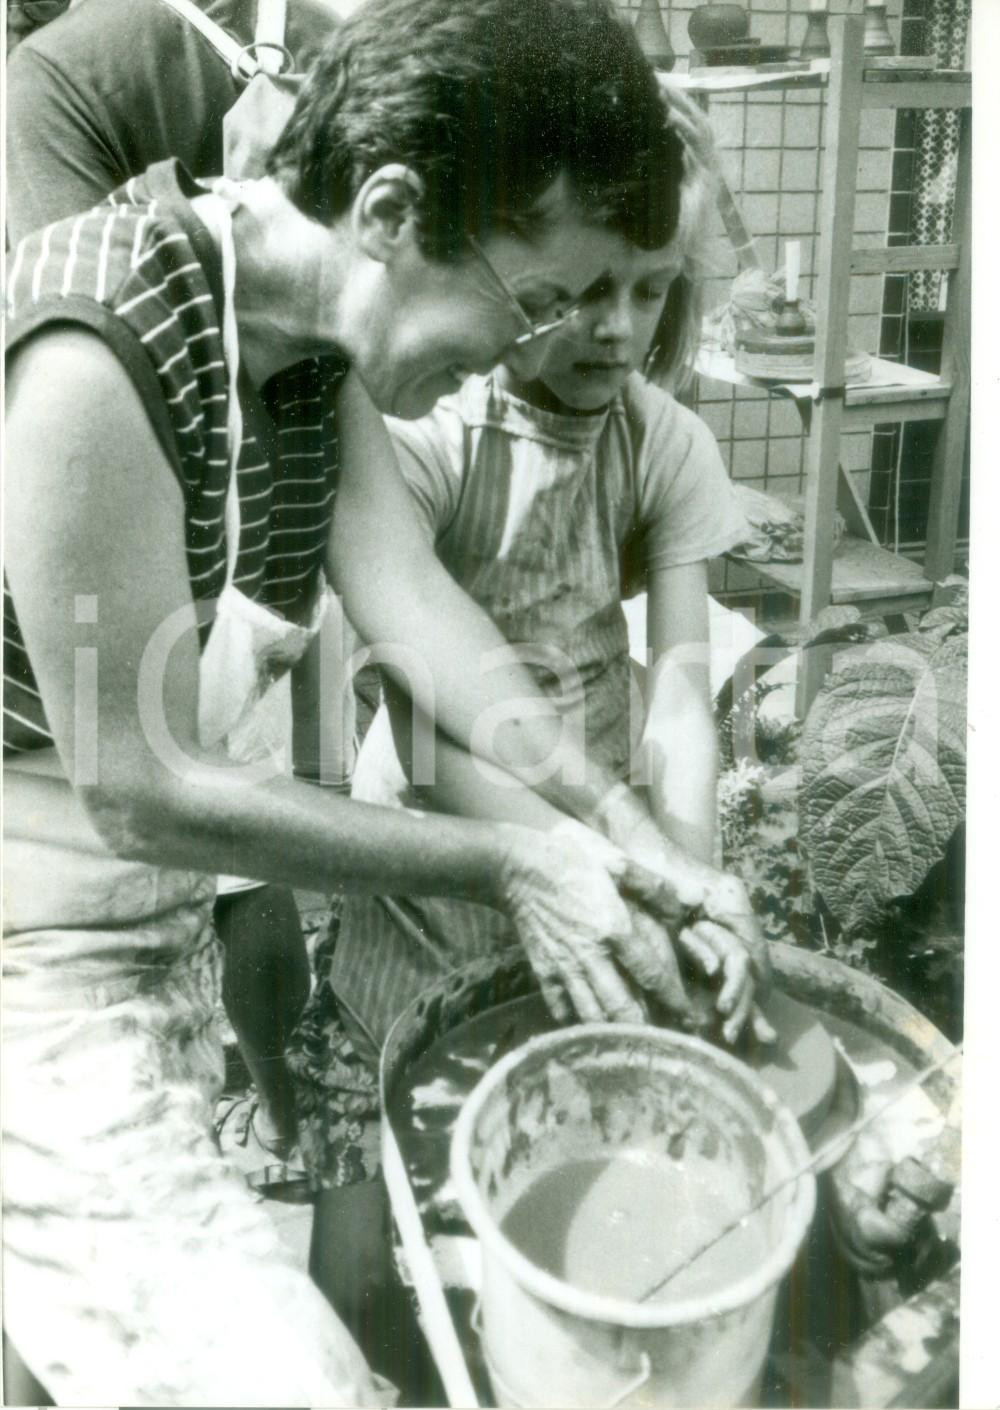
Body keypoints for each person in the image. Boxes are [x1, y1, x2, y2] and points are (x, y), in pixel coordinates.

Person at [2, 1, 767, 1402]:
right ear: (392, 210)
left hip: (149, 915)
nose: (539, 339)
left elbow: (414, 606)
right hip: (33, 931)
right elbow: (141, 789)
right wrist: (514, 861)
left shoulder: (309, 345)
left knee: (81, 1334)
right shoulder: (93, 346)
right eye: (533, 298)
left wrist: (622, 825)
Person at [5, 0, 357, 1177]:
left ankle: (261, 1112)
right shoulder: (101, 65)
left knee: (221, 867)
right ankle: (278, 1115)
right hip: (212, 569)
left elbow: (91, 340)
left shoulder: (62, 66)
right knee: (232, 860)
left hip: (172, 558)